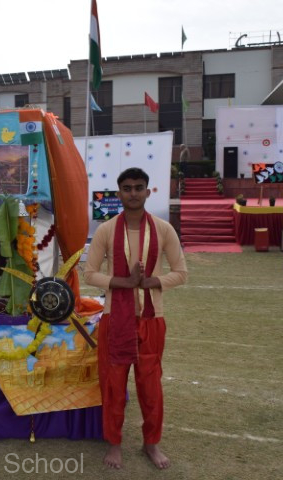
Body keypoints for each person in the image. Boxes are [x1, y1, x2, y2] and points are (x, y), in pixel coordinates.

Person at [83, 167, 187, 470]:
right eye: (127, 188)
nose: (133, 193)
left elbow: (181, 273)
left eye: (138, 188)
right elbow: (89, 273)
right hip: (115, 319)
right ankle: (114, 443)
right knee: (113, 385)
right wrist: (125, 283)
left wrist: (150, 282)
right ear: (119, 194)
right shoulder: (106, 230)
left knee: (151, 387)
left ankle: (151, 443)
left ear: (147, 192)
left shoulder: (164, 229)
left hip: (151, 320)